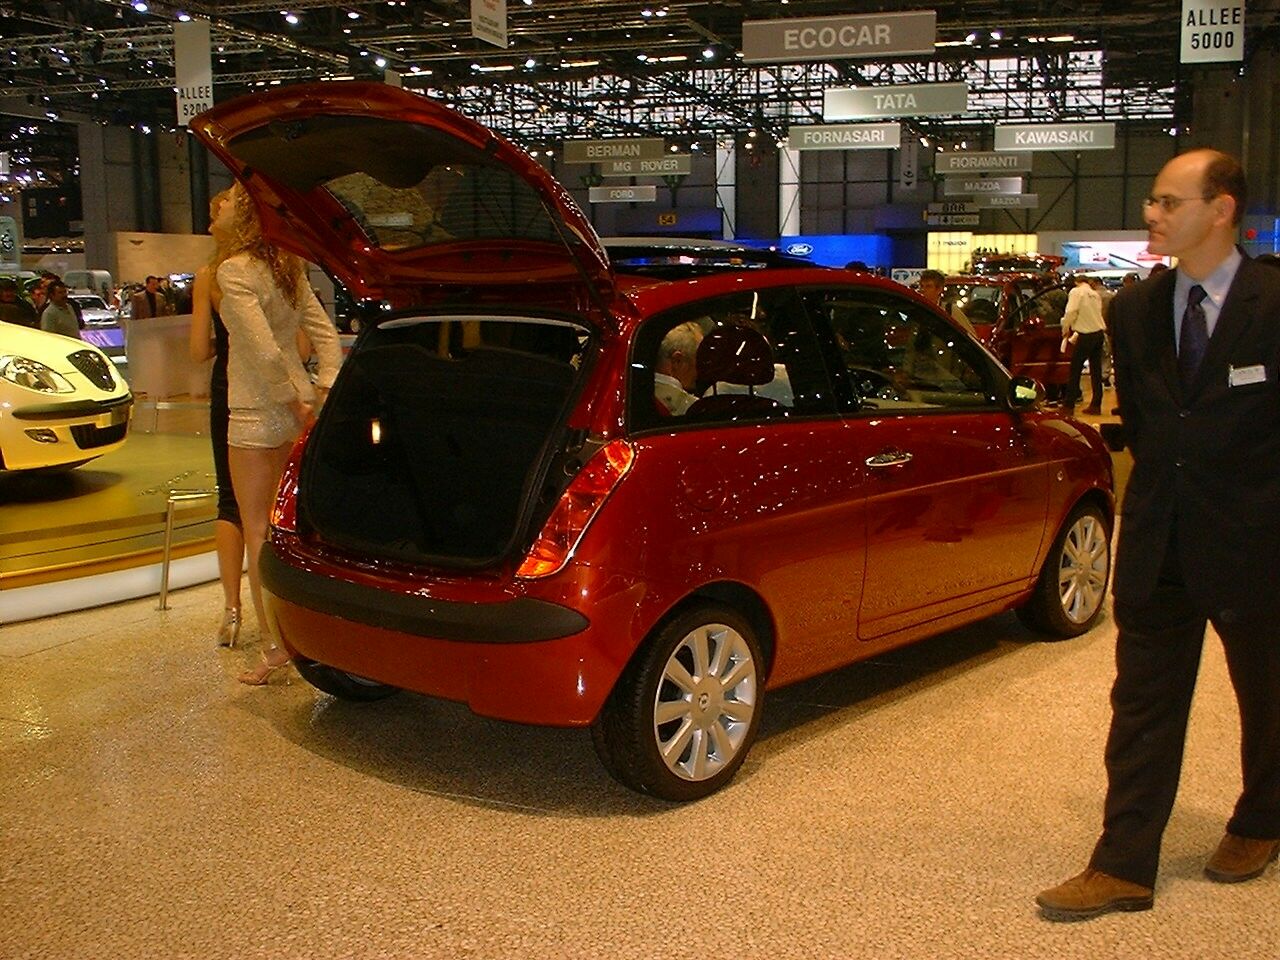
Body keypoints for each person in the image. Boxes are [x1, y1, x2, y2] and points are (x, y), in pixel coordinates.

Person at [1037, 148, 1280, 921]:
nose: (1152, 214)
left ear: (1221, 210)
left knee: (1268, 695)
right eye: (1151, 199)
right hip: (1160, 541)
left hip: (1257, 543)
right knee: (1141, 703)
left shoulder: (1274, 302)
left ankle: (1264, 819)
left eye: (1170, 202)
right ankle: (1123, 863)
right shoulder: (1134, 309)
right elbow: (1143, 422)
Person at [214, 183, 342, 686]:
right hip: (295, 408)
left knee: (257, 530)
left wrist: (292, 395)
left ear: (243, 214)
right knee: (290, 526)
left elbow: (262, 350)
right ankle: (301, 634)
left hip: (255, 410)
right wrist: (320, 389)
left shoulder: (236, 270)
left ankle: (273, 646)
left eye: (224, 200)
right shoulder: (288, 267)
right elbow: (326, 334)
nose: (217, 206)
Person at [189, 190, 245, 649]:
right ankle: (275, 614)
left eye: (218, 208)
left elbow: (195, 351)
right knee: (267, 506)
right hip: (271, 393)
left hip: (229, 390)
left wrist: (223, 345)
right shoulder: (285, 269)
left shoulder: (209, 275)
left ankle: (232, 610)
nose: (211, 216)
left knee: (229, 501)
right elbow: (303, 347)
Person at [1060, 274, 1106, 414]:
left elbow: (1071, 312)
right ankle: (1096, 404)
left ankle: (1069, 405)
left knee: (1075, 370)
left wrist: (1065, 328)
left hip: (1085, 334)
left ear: (1076, 282)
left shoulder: (1076, 292)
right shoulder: (1095, 294)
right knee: (1096, 370)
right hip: (1099, 333)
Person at [654, 320, 702, 415]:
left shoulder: (631, 394)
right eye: (698, 362)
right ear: (677, 361)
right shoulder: (692, 409)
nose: (699, 372)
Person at [917, 269, 976, 336]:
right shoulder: (916, 307)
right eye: (921, 286)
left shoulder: (949, 310)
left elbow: (970, 335)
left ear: (939, 289)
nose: (922, 290)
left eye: (928, 286)